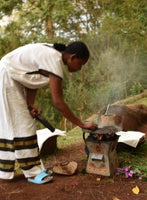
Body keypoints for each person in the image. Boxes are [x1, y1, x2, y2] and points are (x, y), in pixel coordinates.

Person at [0, 41, 97, 184]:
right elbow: (58, 103)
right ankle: (32, 172)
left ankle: (25, 168)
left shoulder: (54, 54)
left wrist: (30, 104)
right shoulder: (54, 60)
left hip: (13, 78)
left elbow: (32, 80)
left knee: (23, 122)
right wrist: (81, 124)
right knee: (23, 125)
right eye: (80, 64)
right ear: (72, 57)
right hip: (7, 78)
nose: (80, 68)